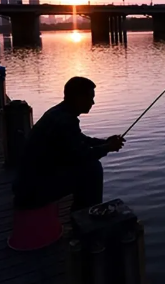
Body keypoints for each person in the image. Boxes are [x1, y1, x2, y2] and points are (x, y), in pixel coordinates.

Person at [12, 76, 125, 212]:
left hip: (28, 184)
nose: (93, 102)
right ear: (78, 98)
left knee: (87, 166)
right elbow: (82, 155)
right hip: (32, 192)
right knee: (92, 169)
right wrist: (108, 148)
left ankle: (81, 211)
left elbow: (81, 140)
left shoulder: (59, 113)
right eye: (90, 98)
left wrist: (106, 142)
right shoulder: (65, 121)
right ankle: (85, 218)